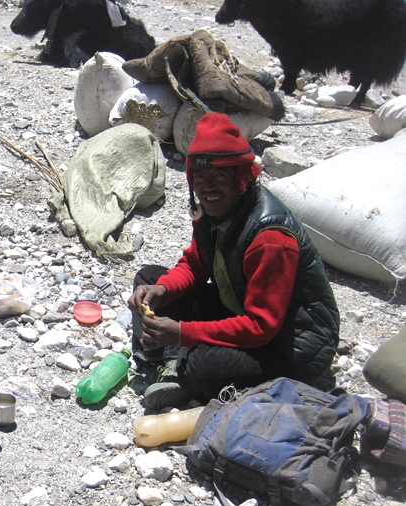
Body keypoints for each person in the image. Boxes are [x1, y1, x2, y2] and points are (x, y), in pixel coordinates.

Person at [128, 113, 340, 410]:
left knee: (204, 365)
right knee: (150, 280)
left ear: (241, 177)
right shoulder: (214, 211)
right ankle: (167, 359)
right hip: (240, 306)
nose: (207, 187)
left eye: (219, 176)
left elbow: (261, 325)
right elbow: (196, 264)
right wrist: (162, 290)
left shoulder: (270, 237)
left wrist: (184, 333)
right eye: (199, 177)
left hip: (290, 346)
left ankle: (180, 364)